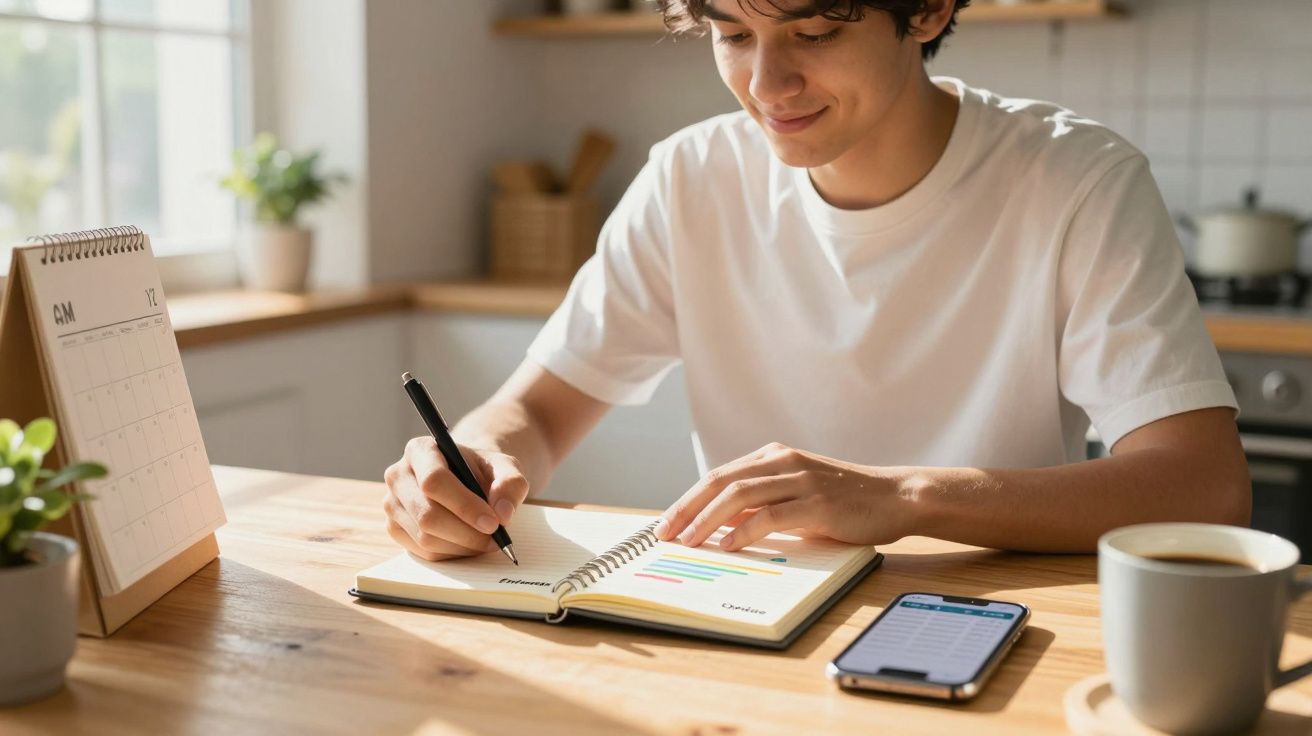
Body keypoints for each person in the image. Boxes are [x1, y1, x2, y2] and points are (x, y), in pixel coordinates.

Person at [382, 0, 1249, 562]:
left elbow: (1204, 488)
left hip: (986, 615)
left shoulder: (1076, 180)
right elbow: (536, 413)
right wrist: (473, 463)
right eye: (732, 35)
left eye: (815, 32)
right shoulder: (689, 177)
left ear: (928, 10)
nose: (766, 85)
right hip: (750, 613)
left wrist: (903, 496)